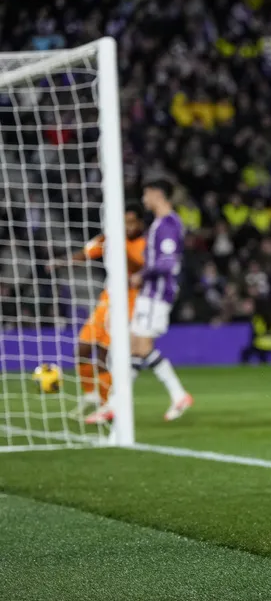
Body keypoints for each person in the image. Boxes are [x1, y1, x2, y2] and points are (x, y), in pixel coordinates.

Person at [88, 177, 192, 424]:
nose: (144, 200)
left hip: (157, 294)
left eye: (146, 194)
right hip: (150, 294)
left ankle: (178, 394)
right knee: (134, 350)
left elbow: (167, 263)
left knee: (142, 347)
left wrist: (140, 275)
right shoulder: (160, 223)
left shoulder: (167, 224)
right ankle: (115, 405)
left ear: (157, 194)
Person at [48, 204, 147, 417]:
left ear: (140, 223)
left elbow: (139, 266)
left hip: (129, 304)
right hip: (107, 300)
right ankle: (90, 395)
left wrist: (120, 245)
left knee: (104, 355)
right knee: (82, 350)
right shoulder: (111, 238)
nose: (128, 226)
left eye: (132, 222)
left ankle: (107, 405)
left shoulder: (144, 243)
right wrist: (61, 263)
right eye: (125, 222)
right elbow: (86, 253)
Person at [240, 297, 271, 365]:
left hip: (260, 343)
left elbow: (257, 331)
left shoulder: (257, 318)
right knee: (262, 357)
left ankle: (246, 366)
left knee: (246, 353)